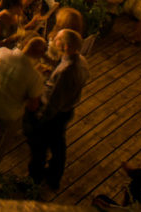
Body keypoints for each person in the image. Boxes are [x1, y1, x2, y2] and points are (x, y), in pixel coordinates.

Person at [26, 29, 89, 191]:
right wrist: (51, 75)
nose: (53, 39)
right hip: (67, 110)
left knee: (39, 147)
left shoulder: (66, 70)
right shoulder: (81, 61)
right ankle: (54, 176)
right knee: (58, 144)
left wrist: (40, 117)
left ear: (66, 46)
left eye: (57, 39)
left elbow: (53, 101)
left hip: (53, 114)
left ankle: (34, 180)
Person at [0, 37, 47, 166]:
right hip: (10, 114)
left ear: (25, 44)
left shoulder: (2, 53)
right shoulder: (34, 77)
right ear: (40, 54)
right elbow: (33, 106)